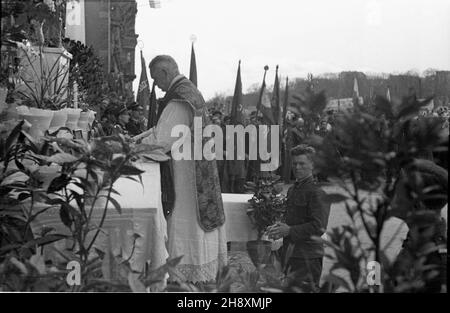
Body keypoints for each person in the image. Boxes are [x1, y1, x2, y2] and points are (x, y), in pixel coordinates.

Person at [139, 55, 227, 284]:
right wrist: (138, 138)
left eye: (156, 79)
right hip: (198, 169)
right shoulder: (190, 92)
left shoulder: (179, 100)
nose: (156, 85)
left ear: (165, 73)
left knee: (184, 219)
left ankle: (184, 279)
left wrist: (131, 148)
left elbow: (162, 140)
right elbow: (160, 130)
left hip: (187, 175)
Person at [267, 144, 330, 292]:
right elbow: (293, 218)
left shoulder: (317, 192)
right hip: (291, 253)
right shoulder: (292, 189)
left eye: (302, 163)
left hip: (308, 256)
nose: (297, 167)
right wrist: (279, 226)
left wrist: (289, 231)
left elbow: (319, 227)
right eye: (294, 163)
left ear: (313, 165)